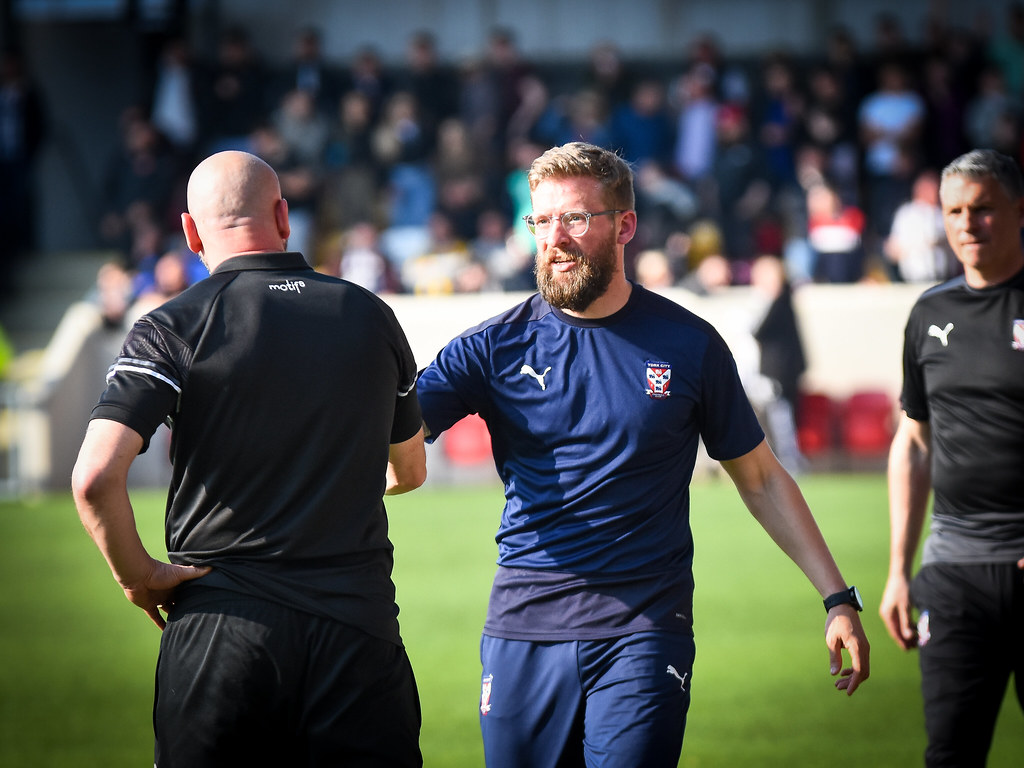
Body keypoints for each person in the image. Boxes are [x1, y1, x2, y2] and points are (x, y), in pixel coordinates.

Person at [416, 141, 870, 767]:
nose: (555, 238)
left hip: (645, 629)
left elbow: (761, 478)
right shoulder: (492, 346)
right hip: (523, 625)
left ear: (624, 225)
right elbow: (388, 439)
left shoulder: (689, 344)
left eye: (575, 218)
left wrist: (837, 597)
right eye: (541, 221)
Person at [71, 150, 426, 768]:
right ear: (283, 217)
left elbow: (96, 477)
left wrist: (138, 576)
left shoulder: (173, 325)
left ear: (190, 232)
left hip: (223, 630)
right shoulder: (370, 314)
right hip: (357, 631)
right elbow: (409, 471)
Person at [879, 148, 1024, 767]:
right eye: (955, 212)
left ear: (1019, 210)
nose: (968, 224)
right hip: (954, 571)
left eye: (983, 209)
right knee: (950, 753)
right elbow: (914, 443)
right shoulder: (930, 313)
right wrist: (897, 570)